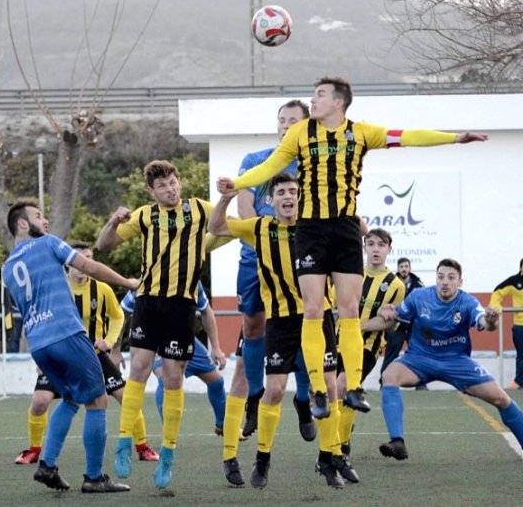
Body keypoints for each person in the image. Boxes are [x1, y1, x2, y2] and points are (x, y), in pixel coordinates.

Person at [218, 76, 488, 420]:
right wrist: (237, 184)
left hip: (345, 229)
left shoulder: (361, 132)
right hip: (310, 229)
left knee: (348, 311)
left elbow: (406, 137)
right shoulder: (301, 134)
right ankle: (317, 389)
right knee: (313, 309)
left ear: (338, 102)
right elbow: (270, 168)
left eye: (319, 95)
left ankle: (355, 386)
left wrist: (454, 138)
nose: (312, 101)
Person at [211, 173, 345, 489]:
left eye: (293, 191)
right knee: (273, 390)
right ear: (270, 201)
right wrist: (228, 198)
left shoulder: (317, 227)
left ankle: (327, 461)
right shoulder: (260, 228)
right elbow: (215, 228)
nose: (288, 196)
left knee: (328, 385)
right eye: (281, 192)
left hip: (318, 317)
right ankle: (262, 461)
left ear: (301, 197)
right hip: (281, 322)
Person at [97, 159, 217, 489]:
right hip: (149, 300)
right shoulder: (144, 216)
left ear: (179, 182)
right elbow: (103, 246)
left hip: (182, 304)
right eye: (162, 185)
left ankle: (168, 454)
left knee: (174, 375)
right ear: (152, 191)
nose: (170, 188)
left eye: (173, 182)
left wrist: (231, 202)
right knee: (138, 368)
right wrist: (113, 220)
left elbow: (226, 227)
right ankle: (123, 446)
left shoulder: (200, 209)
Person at [3, 199, 135, 493]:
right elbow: (90, 267)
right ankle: (94, 477)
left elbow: (25, 308)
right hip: (66, 335)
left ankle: (47, 466)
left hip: (39, 344)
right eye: (38, 216)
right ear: (22, 224)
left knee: (71, 399)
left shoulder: (8, 267)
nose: (45, 221)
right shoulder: (49, 243)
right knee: (98, 400)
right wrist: (128, 283)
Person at [14, 241, 158, 466]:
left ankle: (142, 446)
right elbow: (35, 320)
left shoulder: (102, 289)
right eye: (80, 259)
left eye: (89, 259)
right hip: (62, 354)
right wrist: (40, 356)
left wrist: (108, 342)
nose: (84, 265)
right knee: (40, 401)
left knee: (127, 398)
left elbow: (118, 315)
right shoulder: (56, 289)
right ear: (67, 264)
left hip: (95, 356)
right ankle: (34, 450)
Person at [225, 100, 315, 457]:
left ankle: (305, 400)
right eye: (281, 120)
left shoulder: (311, 166)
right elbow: (244, 206)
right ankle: (254, 398)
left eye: (293, 121)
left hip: (301, 253)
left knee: (308, 323)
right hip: (257, 254)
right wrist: (261, 237)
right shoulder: (255, 160)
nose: (285, 125)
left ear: (305, 127)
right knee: (252, 324)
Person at [377, 258, 523, 460]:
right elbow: (393, 321)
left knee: (501, 398)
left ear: (460, 282)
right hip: (420, 358)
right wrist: (381, 313)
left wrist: (491, 321)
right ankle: (397, 442)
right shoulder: (419, 297)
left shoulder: (468, 302)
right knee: (389, 376)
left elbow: (485, 322)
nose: (445, 282)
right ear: (436, 279)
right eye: (441, 277)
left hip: (456, 362)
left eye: (451, 278)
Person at [334, 228, 405, 481]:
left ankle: (339, 450)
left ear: (389, 250)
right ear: (364, 248)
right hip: (337, 343)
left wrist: (357, 326)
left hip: (367, 347)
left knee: (344, 386)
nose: (376, 249)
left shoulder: (395, 285)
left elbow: (388, 323)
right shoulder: (350, 275)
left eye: (381, 245)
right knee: (333, 393)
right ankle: (339, 443)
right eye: (371, 244)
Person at [120, 282, 228, 437]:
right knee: (164, 380)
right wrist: (115, 349)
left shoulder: (192, 279)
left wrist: (216, 348)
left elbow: (206, 311)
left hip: (184, 337)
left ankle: (222, 426)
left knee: (217, 382)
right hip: (156, 339)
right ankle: (169, 435)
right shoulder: (148, 279)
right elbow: (119, 312)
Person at [381, 257, 425, 377]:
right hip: (396, 325)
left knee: (418, 354)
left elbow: (422, 305)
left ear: (410, 268)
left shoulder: (418, 285)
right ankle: (384, 381)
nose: (404, 269)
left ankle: (420, 382)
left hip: (413, 327)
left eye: (406, 267)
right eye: (401, 267)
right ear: (398, 269)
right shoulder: (392, 284)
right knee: (391, 354)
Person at [490, 258, 523, 389]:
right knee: (522, 355)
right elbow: (497, 292)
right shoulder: (515, 282)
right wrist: (496, 307)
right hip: (521, 326)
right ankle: (520, 382)